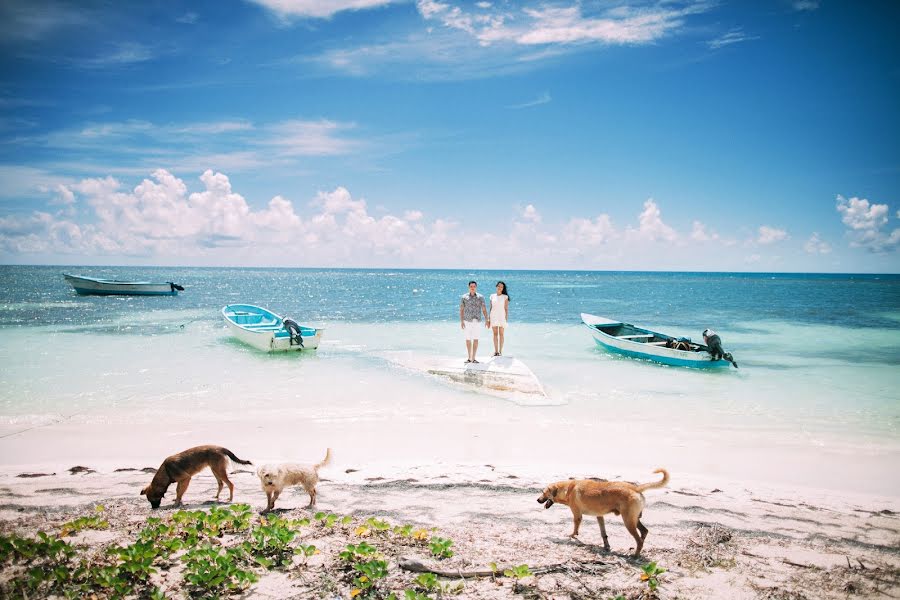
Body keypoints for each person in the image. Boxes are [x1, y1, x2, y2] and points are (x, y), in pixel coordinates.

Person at [460, 280, 489, 363]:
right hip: (467, 320)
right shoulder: (464, 297)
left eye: (474, 286)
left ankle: (474, 358)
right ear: (469, 287)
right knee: (468, 339)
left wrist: (487, 319)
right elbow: (461, 309)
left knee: (476, 339)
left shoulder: (480, 297)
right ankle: (469, 358)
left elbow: (483, 309)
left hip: (477, 320)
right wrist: (461, 321)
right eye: (471, 286)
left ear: (476, 287)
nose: (472, 288)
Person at [489, 281, 509, 356]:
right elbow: (490, 308)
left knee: (501, 334)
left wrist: (506, 319)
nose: (500, 288)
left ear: (503, 288)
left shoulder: (505, 297)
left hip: (502, 316)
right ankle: (496, 351)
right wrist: (488, 318)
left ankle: (500, 351)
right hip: (493, 316)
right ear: (496, 286)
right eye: (499, 286)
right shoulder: (492, 296)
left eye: (501, 287)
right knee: (495, 334)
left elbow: (506, 309)